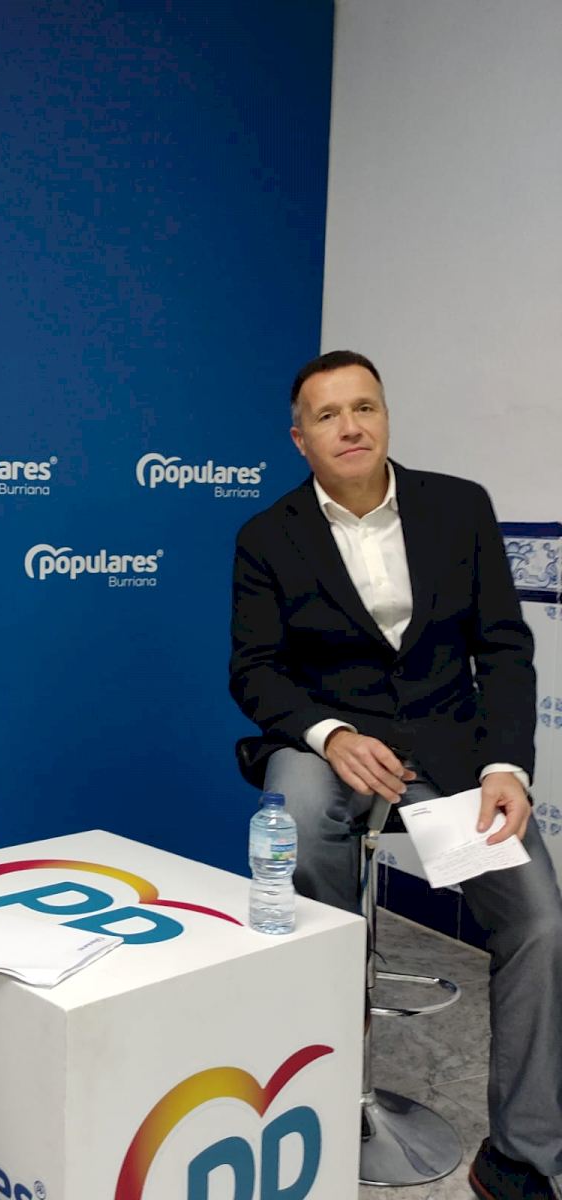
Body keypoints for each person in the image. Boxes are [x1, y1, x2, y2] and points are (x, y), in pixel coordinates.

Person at [229, 349, 562, 1200]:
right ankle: (320, 1078)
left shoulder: (458, 506)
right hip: (329, 750)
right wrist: (330, 733)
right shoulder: (267, 536)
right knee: (297, 814)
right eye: (328, 415)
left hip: (451, 755)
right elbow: (255, 672)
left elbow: (504, 648)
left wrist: (505, 765)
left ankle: (521, 1155)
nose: (351, 426)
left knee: (538, 919)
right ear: (300, 439)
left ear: (385, 417)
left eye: (365, 407)